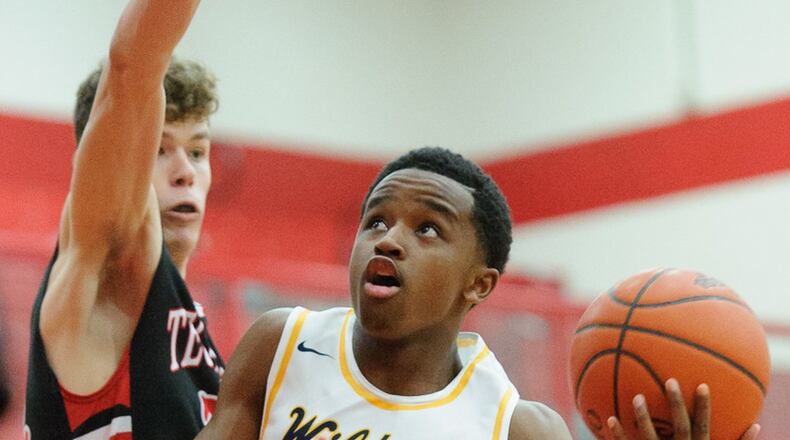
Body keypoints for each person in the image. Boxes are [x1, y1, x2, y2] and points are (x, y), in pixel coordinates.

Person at [198, 147, 573, 439]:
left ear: (478, 284)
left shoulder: (515, 427)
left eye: (427, 229)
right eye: (376, 221)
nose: (388, 240)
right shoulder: (281, 345)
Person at [24, 0, 225, 438]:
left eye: (196, 151)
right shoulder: (102, 284)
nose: (185, 171)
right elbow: (133, 68)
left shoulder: (204, 350)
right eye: (158, 149)